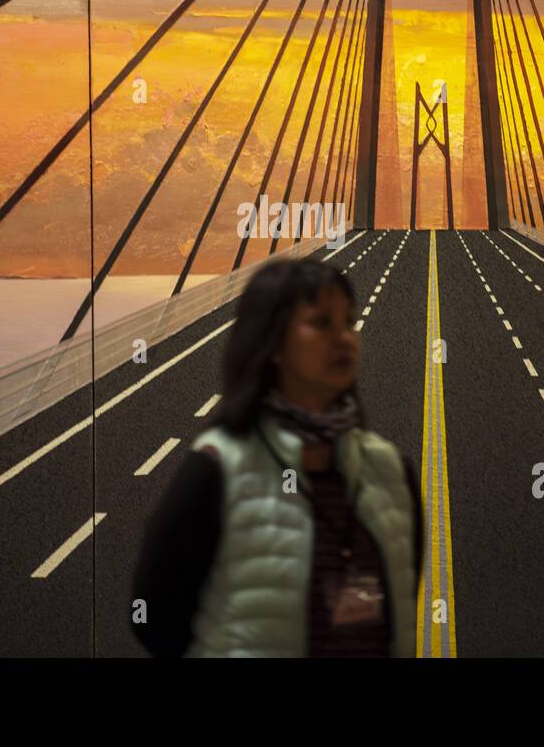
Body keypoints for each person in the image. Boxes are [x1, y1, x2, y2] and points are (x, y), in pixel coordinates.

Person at [131, 256, 423, 657]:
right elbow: (153, 612)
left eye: (348, 322)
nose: (343, 338)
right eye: (321, 323)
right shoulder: (218, 469)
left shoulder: (390, 469)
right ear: (272, 344)